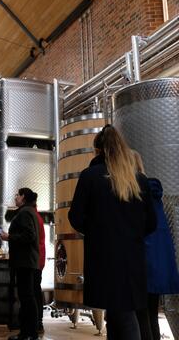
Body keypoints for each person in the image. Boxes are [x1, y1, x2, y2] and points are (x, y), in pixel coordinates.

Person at [68, 125, 157, 340]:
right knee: (121, 314)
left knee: (122, 316)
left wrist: (99, 231)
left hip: (103, 258)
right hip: (133, 259)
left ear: (97, 150)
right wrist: (131, 235)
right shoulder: (139, 180)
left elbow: (76, 217)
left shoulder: (90, 176)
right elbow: (151, 223)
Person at [132, 151, 179, 340]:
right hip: (158, 264)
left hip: (143, 264)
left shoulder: (138, 193)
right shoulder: (156, 196)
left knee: (141, 315)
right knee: (151, 313)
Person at [0, 188, 40, 340]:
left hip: (24, 261)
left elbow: (29, 236)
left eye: (17, 195)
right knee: (27, 297)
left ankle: (28, 333)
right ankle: (29, 333)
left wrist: (9, 236)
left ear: (23, 197)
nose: (15, 197)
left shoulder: (24, 213)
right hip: (27, 261)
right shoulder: (30, 211)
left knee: (27, 298)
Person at [34, 205, 46, 334]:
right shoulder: (36, 216)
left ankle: (37, 323)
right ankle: (38, 322)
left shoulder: (33, 217)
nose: (15, 198)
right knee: (35, 291)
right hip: (38, 259)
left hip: (35, 261)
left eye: (18, 196)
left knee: (34, 293)